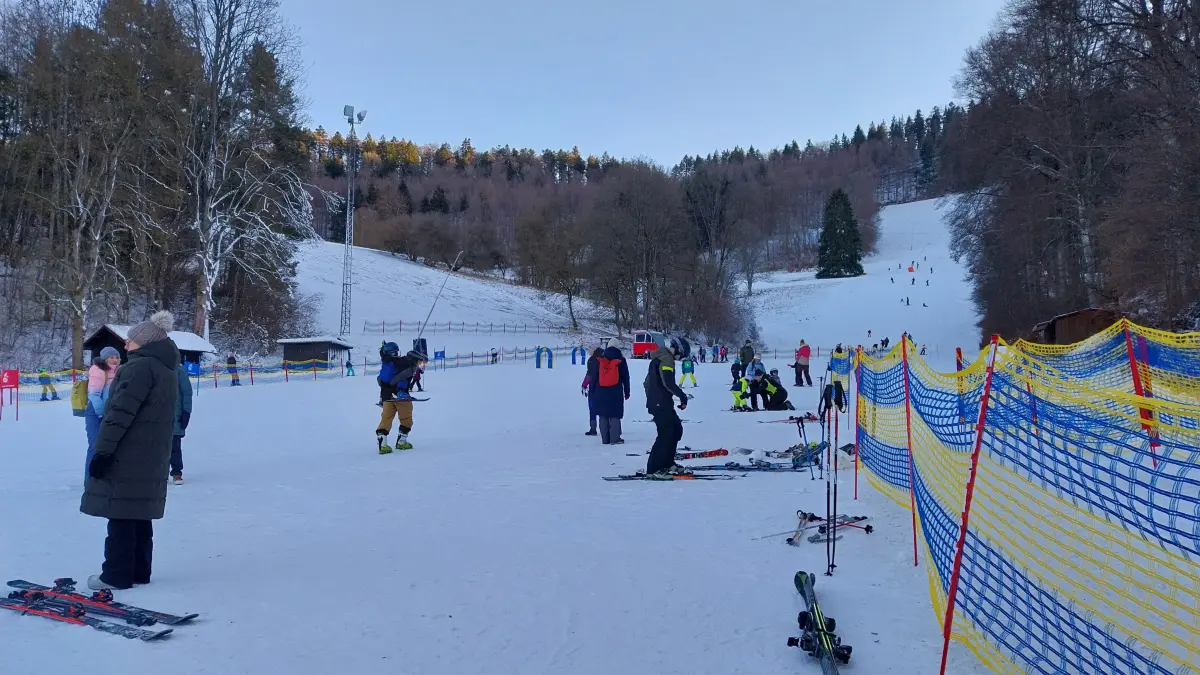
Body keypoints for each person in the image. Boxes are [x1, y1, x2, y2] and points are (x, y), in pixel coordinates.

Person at [80, 311, 179, 591]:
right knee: (139, 512)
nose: (126, 345)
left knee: (121, 512)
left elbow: (119, 414)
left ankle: (115, 574)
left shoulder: (138, 368)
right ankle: (139, 570)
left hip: (128, 451)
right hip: (152, 454)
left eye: (131, 341)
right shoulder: (166, 368)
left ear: (145, 342)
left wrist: (103, 452)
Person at [643, 343, 690, 476]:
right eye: (680, 356)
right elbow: (668, 382)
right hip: (660, 404)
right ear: (678, 351)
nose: (678, 359)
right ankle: (654, 468)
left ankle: (667, 463)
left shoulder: (658, 359)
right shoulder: (666, 359)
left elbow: (646, 383)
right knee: (665, 434)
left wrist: (653, 398)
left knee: (676, 430)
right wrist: (682, 396)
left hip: (661, 403)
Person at [376, 343, 423, 453]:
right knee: (406, 418)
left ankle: (382, 445)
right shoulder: (402, 364)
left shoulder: (386, 364)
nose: (396, 354)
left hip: (387, 397)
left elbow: (380, 380)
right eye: (394, 353)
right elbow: (404, 366)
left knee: (386, 419)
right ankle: (401, 442)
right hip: (400, 397)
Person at [84, 347, 122, 480]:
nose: (115, 360)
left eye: (116, 357)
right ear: (105, 358)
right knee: (95, 446)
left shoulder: (119, 371)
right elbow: (94, 395)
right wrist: (102, 414)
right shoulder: (98, 371)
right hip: (96, 412)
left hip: (110, 412)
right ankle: (89, 479)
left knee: (108, 446)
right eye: (111, 357)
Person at [594, 342, 631, 444]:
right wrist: (627, 391)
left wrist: (593, 390)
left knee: (603, 414)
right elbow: (626, 377)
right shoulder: (620, 360)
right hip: (616, 390)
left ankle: (605, 439)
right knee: (615, 414)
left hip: (601, 391)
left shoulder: (601, 359)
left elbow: (595, 376)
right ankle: (615, 439)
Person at [170, 361, 193, 485]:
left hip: (175, 414)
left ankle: (177, 472)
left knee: (174, 446)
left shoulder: (179, 370)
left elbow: (187, 392)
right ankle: (158, 473)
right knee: (157, 446)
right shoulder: (154, 367)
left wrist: (186, 412)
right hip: (157, 414)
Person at [583, 347, 602, 436]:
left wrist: (584, 385)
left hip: (593, 387)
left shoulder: (592, 360)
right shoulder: (604, 358)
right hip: (604, 387)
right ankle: (606, 428)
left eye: (590, 349)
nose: (589, 351)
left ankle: (593, 429)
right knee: (604, 409)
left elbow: (589, 374)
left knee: (592, 408)